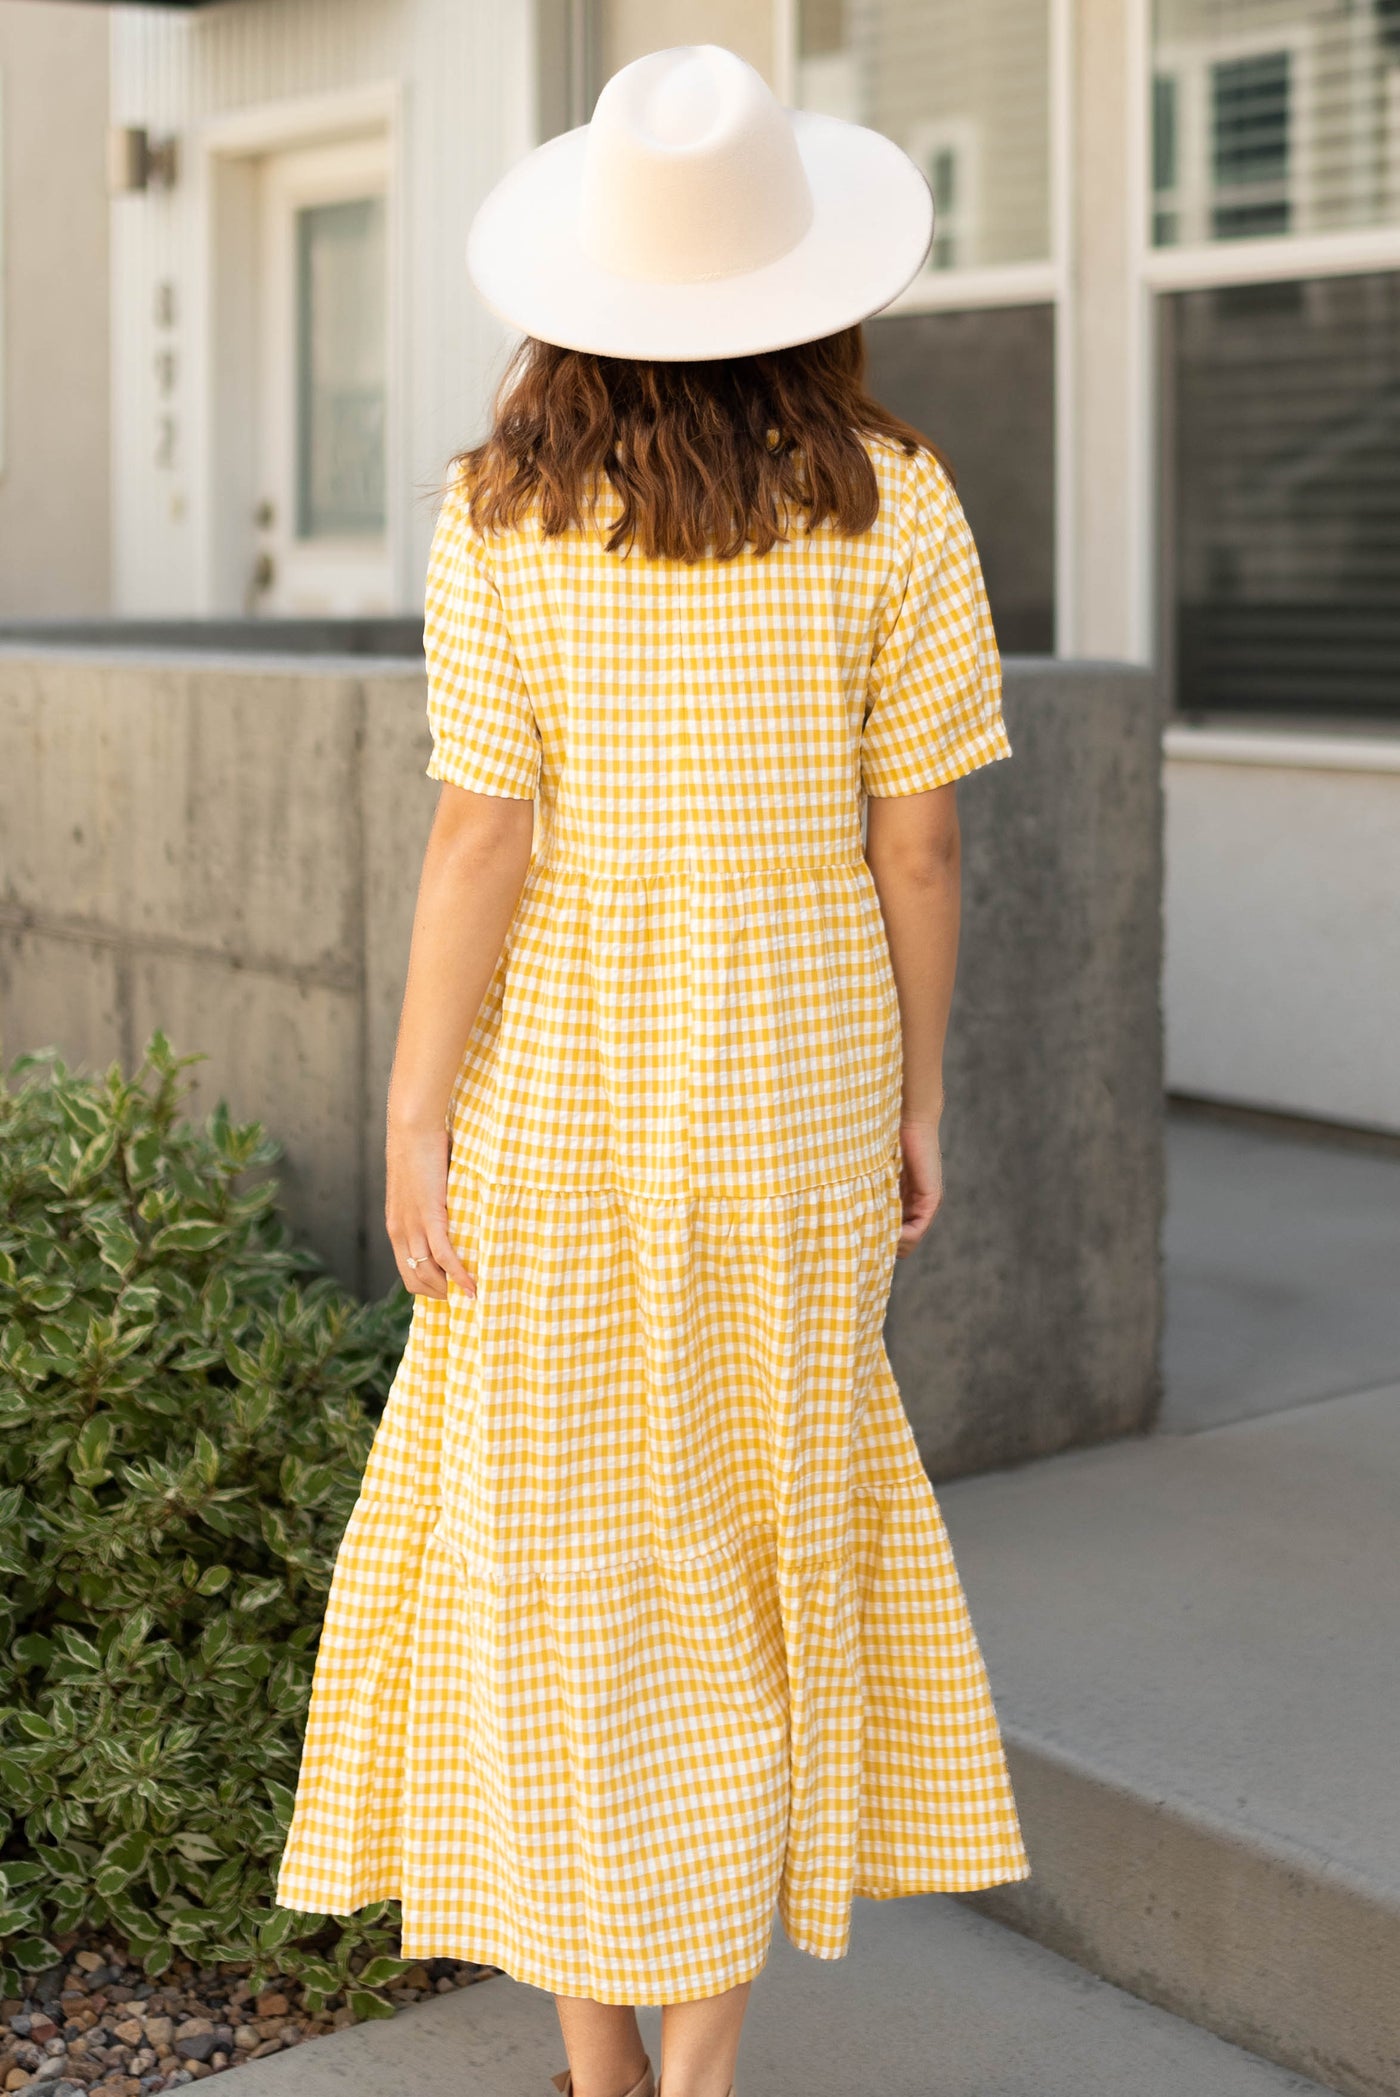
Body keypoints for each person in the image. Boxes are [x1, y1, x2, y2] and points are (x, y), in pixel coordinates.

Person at [276, 42, 1029, 2097]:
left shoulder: (494, 509)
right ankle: (693, 2080)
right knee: (760, 1544)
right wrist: (920, 1093)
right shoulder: (899, 501)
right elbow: (923, 840)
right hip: (794, 1069)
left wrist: (418, 1112)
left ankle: (598, 2070)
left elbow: (478, 837)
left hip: (563, 1087)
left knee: (555, 1552)